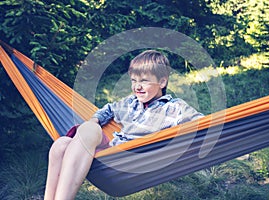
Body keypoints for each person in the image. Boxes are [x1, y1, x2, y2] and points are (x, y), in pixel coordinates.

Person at [44, 50, 204, 199]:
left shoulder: (174, 108)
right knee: (61, 144)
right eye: (134, 80)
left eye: (144, 81)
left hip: (131, 160)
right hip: (112, 151)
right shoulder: (131, 102)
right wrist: (95, 120)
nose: (137, 86)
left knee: (81, 134)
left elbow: (203, 123)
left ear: (162, 82)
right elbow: (108, 109)